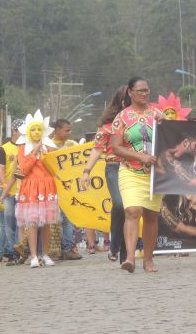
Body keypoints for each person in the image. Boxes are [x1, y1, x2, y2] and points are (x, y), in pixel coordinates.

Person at [111, 76, 165, 273]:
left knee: (151, 216)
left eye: (147, 90)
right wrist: (138, 156)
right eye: (140, 90)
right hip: (130, 171)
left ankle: (148, 259)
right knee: (133, 211)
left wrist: (166, 123)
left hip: (154, 174)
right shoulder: (122, 118)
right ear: (130, 93)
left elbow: (171, 137)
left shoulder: (157, 114)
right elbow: (115, 147)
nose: (145, 93)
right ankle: (130, 258)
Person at [81, 86, 128, 263]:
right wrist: (86, 171)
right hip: (114, 167)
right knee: (119, 203)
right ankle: (114, 244)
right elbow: (97, 148)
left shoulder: (140, 122)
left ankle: (125, 253)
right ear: (122, 101)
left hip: (135, 168)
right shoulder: (107, 125)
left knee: (131, 210)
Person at [15, 110, 59, 268]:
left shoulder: (49, 147)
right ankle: (34, 256)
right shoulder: (22, 148)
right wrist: (35, 152)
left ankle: (45, 254)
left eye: (39, 129)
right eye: (33, 129)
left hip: (47, 186)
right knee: (32, 222)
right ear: (27, 132)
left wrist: (45, 154)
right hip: (31, 187)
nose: (36, 132)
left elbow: (55, 167)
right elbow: (24, 169)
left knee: (47, 222)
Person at [50, 118, 83, 260]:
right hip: (52, 188)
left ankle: (68, 248)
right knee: (54, 220)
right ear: (57, 130)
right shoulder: (47, 146)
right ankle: (56, 249)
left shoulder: (72, 145)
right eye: (66, 130)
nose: (69, 133)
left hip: (69, 188)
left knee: (68, 218)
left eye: (70, 130)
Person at [0, 119, 24, 264]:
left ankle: (19, 251)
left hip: (23, 191)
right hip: (8, 192)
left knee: (21, 223)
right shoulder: (4, 149)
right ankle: (11, 252)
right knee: (8, 223)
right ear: (14, 131)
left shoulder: (25, 148)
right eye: (21, 131)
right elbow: (0, 170)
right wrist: (5, 186)